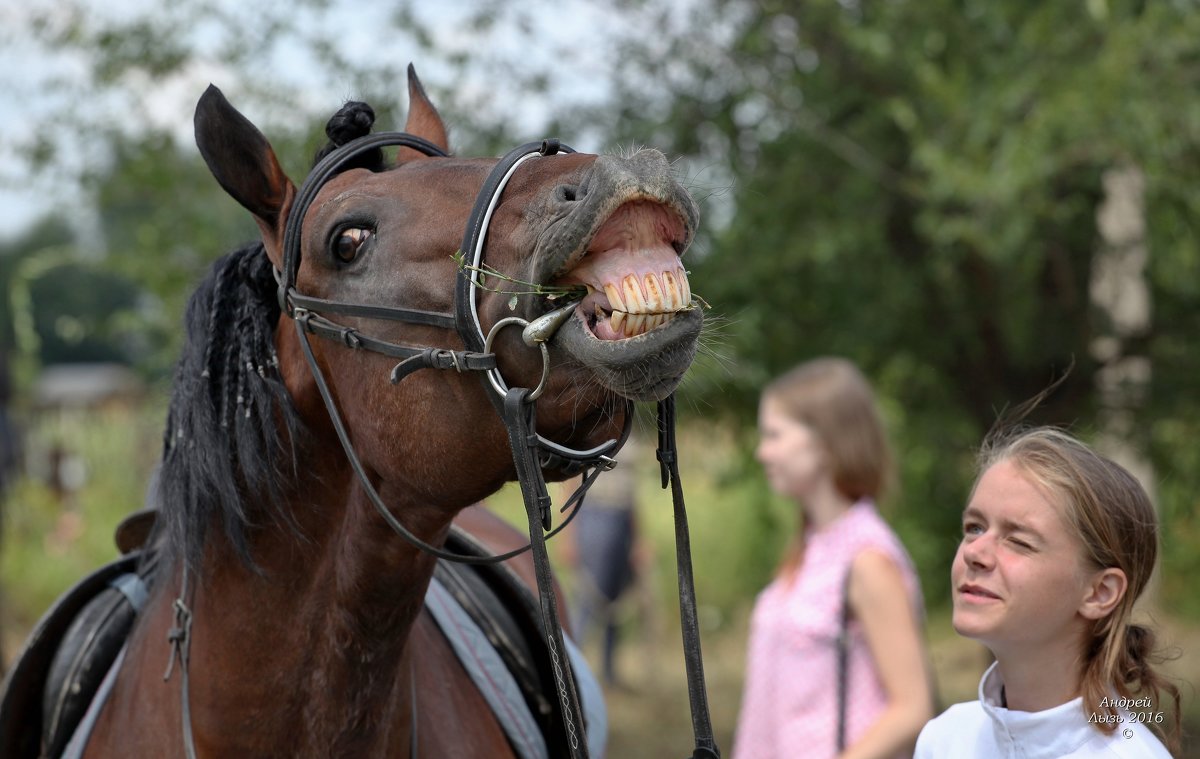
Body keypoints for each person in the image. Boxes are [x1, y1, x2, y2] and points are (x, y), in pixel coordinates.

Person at [916, 427, 1181, 758]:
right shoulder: (945, 739)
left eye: (1019, 541)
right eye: (975, 528)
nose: (974, 552)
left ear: (1099, 592)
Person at [733, 357, 934, 759]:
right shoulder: (811, 547)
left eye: (774, 435)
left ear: (825, 442)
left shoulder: (868, 559)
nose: (762, 452)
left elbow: (913, 709)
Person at [559, 434, 645, 688]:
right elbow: (571, 484)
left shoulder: (629, 431)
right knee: (589, 599)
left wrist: (638, 538)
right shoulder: (591, 430)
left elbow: (632, 493)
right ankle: (571, 673)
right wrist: (569, 537)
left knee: (614, 599)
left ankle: (609, 672)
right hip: (593, 515)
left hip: (622, 518)